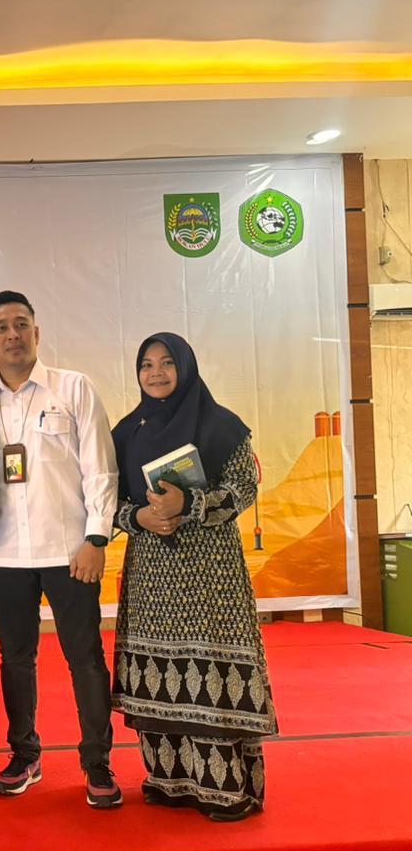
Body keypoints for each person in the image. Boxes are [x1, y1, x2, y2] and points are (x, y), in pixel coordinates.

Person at [0, 290, 122, 809]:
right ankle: (24, 755)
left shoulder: (73, 388)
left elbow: (101, 468)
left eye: (20, 324)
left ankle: (97, 762)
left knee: (85, 658)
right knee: (15, 659)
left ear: (36, 332)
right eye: (1, 328)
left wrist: (96, 538)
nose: (12, 335)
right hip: (4, 554)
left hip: (70, 551)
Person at [110, 333, 276, 822]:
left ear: (185, 368)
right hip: (152, 574)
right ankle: (169, 781)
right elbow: (106, 502)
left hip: (211, 572)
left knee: (213, 672)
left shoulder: (222, 425)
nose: (156, 373)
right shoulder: (126, 432)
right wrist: (137, 517)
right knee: (159, 674)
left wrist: (191, 503)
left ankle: (225, 789)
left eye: (167, 363)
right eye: (146, 365)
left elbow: (244, 488)